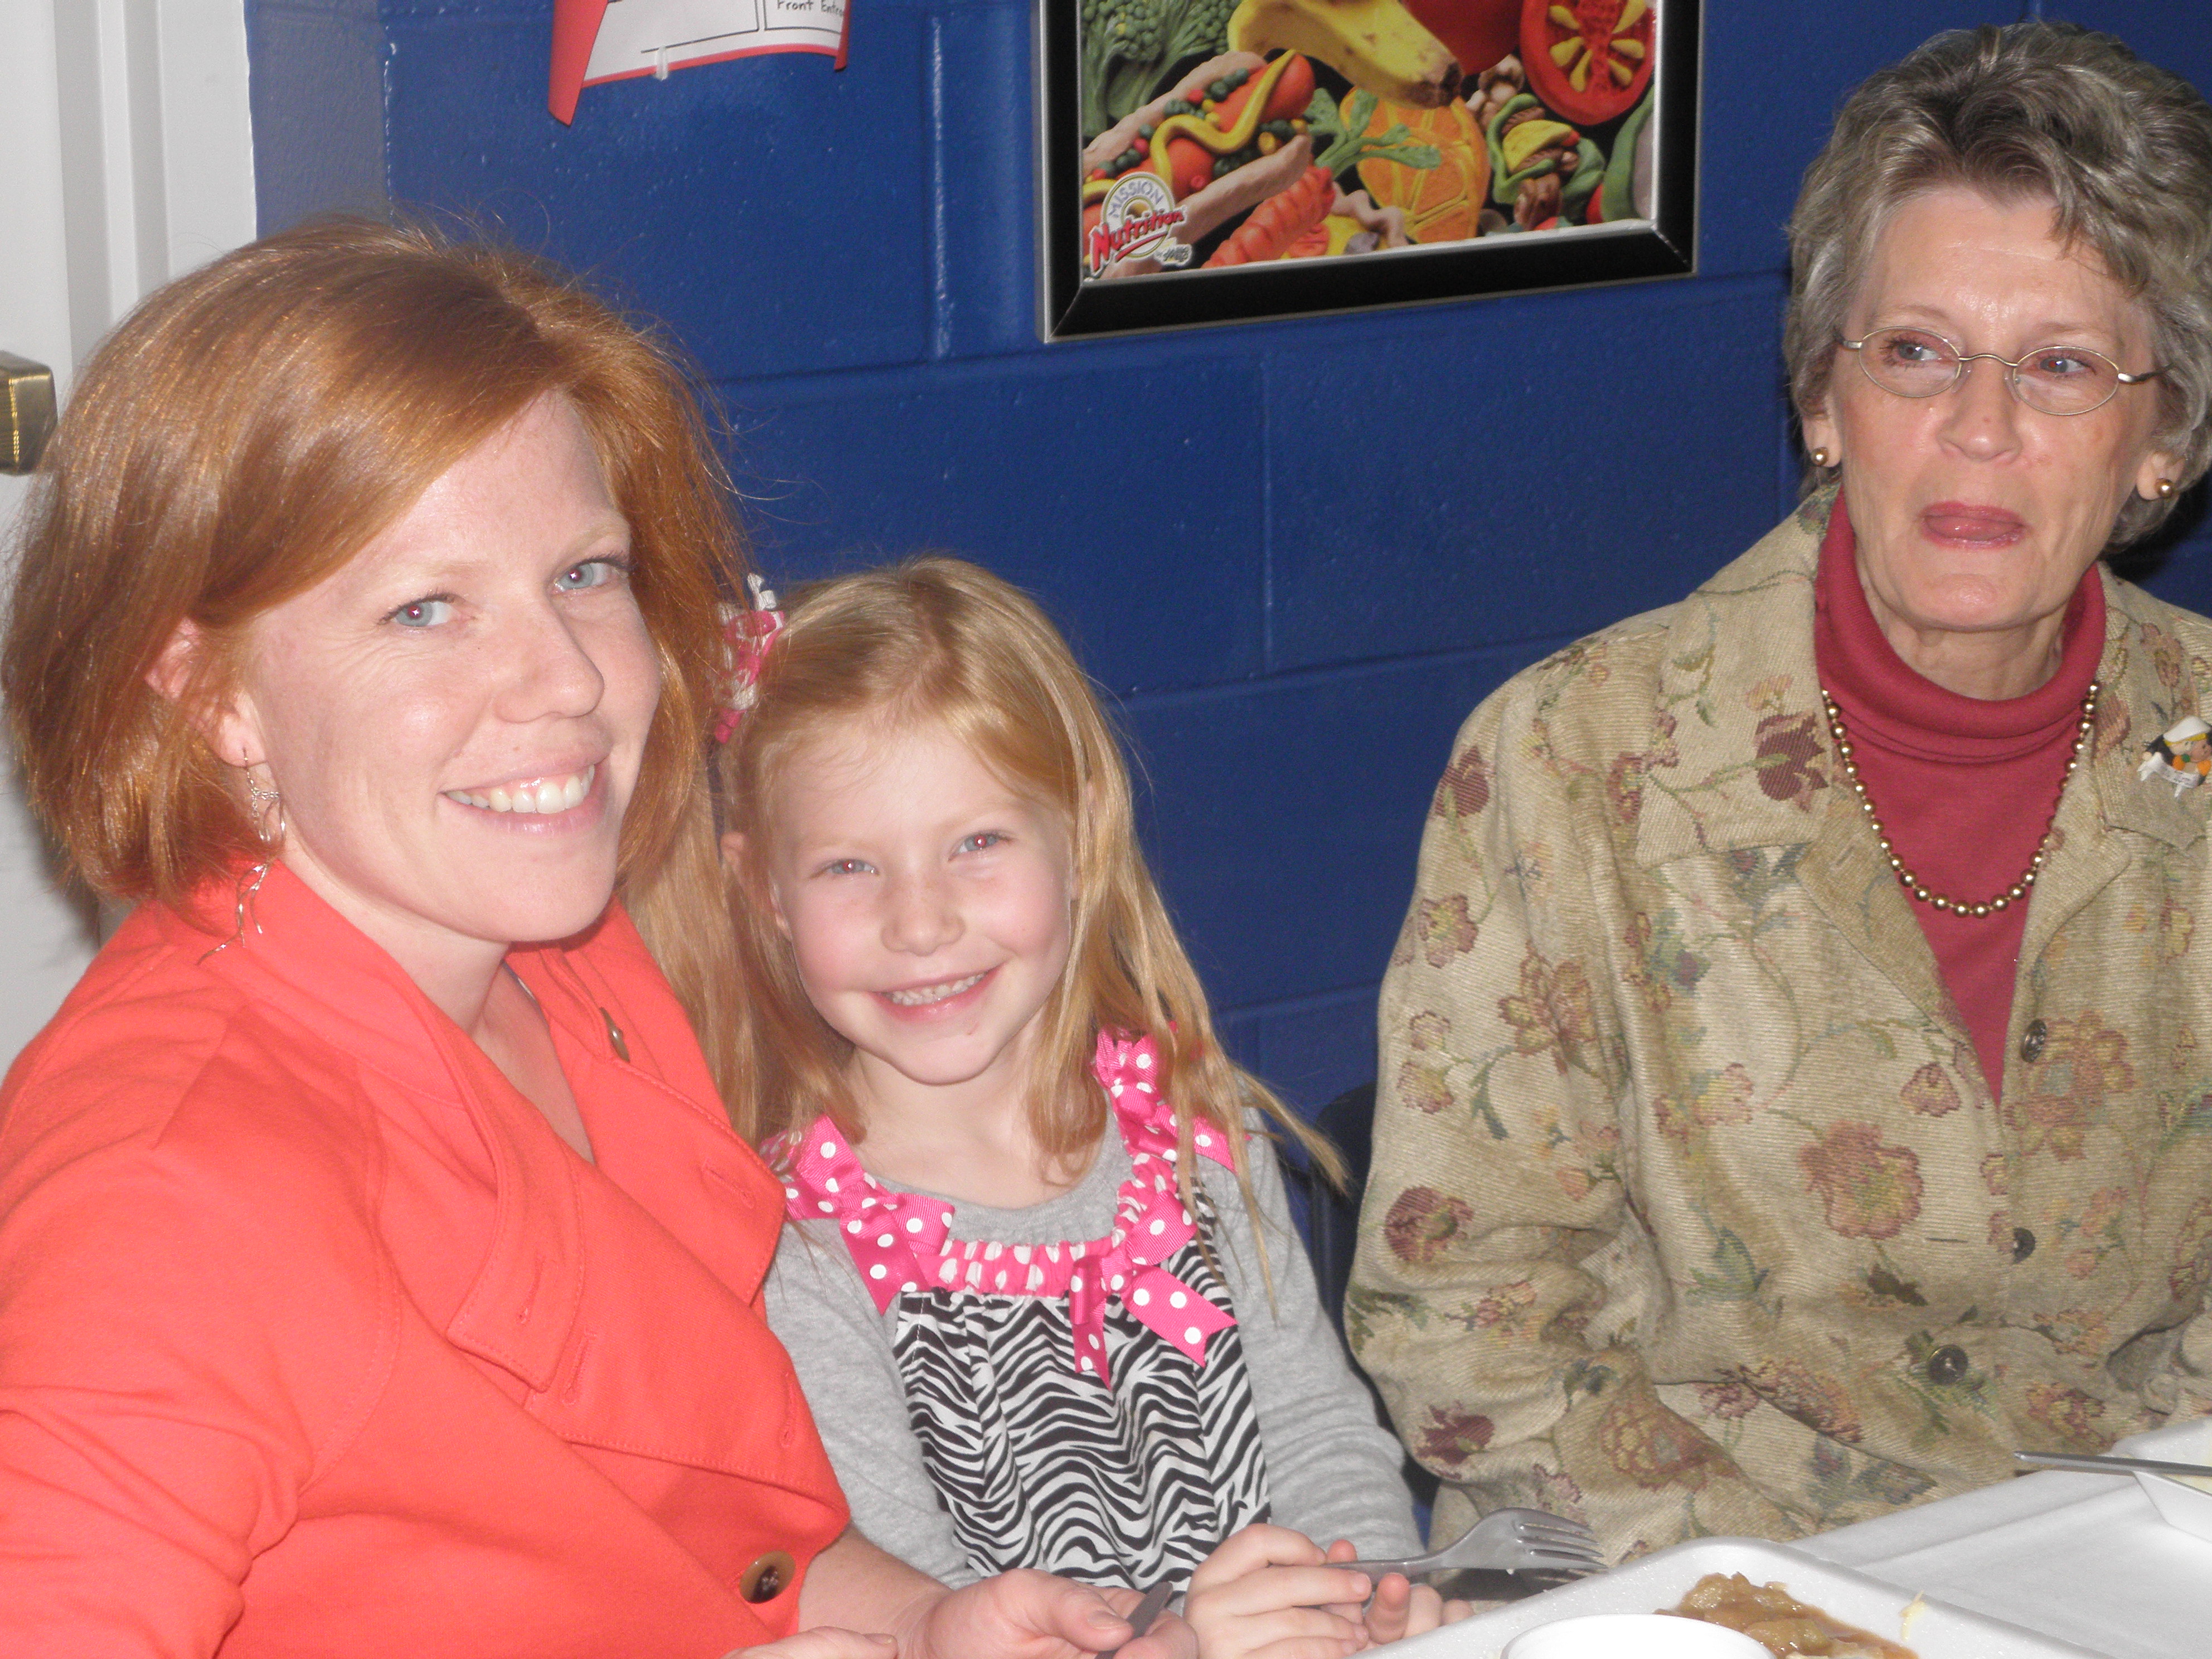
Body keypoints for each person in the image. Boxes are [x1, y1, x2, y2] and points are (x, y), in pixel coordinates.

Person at [0, 221, 1186, 1659]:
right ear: (211, 697)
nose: (565, 679)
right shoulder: (165, 1191)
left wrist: (934, 1625)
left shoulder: (564, 966)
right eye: (426, 609)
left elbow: (717, 1546)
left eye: (583, 573)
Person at [1350, 20, 2212, 1564]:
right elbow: (1467, 1318)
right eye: (1917, 352)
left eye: (2064, 367)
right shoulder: (1572, 762)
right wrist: (1808, 1604)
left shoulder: (2202, 741)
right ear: (1825, 396)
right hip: (1695, 1570)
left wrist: (2110, 1547)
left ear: (2165, 438)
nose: (1981, 429)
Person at [700, 558, 1460, 1656]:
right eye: (849, 867)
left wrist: (1363, 1596)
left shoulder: (1192, 1127)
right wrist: (1193, 1640)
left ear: (1081, 831)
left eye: (977, 844)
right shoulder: (795, 1247)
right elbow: (912, 1592)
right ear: (762, 890)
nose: (921, 923)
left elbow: (1317, 1432)